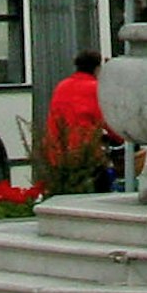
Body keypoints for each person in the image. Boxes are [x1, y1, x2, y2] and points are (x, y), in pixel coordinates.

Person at [46, 50, 113, 192]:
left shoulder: (61, 86)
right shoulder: (95, 89)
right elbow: (107, 120)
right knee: (102, 190)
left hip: (58, 154)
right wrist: (120, 138)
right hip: (86, 155)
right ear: (97, 68)